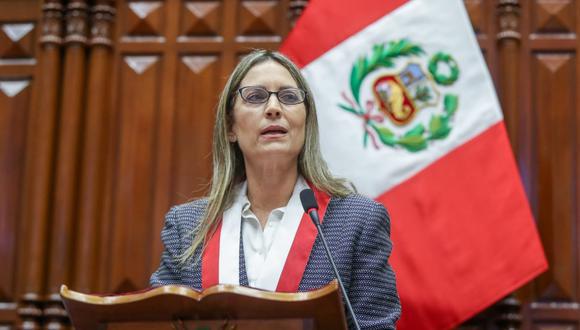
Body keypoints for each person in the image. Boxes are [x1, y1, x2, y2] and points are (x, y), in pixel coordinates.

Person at [150, 49, 401, 329]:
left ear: (306, 124)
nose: (273, 108)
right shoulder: (187, 227)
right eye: (255, 97)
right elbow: (156, 322)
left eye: (289, 97)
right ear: (230, 127)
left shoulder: (358, 221)